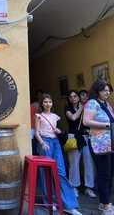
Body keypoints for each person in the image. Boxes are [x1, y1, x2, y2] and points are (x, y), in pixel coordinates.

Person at [35, 93, 81, 215]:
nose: (47, 104)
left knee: (61, 171)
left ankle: (69, 205)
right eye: (45, 102)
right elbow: (37, 133)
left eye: (49, 102)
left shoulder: (55, 116)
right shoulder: (39, 116)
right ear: (42, 103)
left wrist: (59, 131)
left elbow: (59, 131)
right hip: (45, 143)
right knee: (45, 172)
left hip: (55, 143)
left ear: (52, 103)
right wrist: (42, 143)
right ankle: (47, 201)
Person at [83, 80, 114, 214]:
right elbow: (86, 121)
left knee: (109, 173)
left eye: (109, 90)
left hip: (109, 143)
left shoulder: (106, 104)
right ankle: (105, 205)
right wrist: (107, 126)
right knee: (104, 174)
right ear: (97, 91)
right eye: (105, 90)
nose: (107, 92)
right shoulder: (92, 103)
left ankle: (104, 202)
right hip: (99, 144)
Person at [65, 90, 96, 198]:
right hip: (73, 138)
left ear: (78, 97)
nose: (73, 98)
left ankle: (89, 187)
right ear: (68, 99)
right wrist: (81, 107)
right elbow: (73, 117)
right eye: (71, 97)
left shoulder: (87, 107)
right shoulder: (68, 108)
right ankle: (74, 187)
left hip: (86, 137)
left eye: (75, 96)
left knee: (89, 163)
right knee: (74, 164)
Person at [31, 89, 43, 154]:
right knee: (35, 143)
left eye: (40, 95)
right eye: (39, 95)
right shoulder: (36, 105)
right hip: (34, 126)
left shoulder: (33, 104)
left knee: (35, 143)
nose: (40, 96)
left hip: (34, 127)